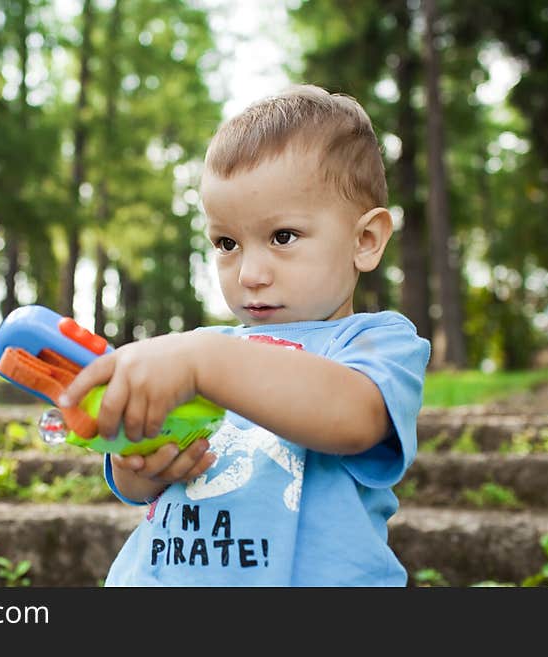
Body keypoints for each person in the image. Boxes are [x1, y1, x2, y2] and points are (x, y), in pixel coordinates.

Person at [60, 84, 431, 586]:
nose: (250, 272)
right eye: (227, 242)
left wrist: (203, 362)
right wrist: (142, 458)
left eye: (282, 237)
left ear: (365, 240)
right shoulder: (201, 350)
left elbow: (355, 418)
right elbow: (136, 486)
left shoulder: (374, 342)